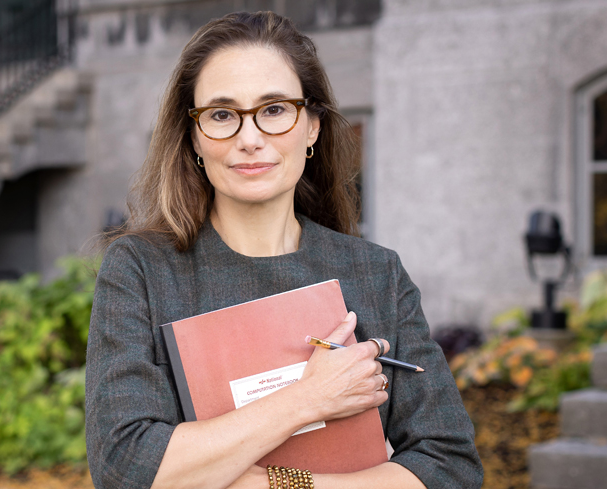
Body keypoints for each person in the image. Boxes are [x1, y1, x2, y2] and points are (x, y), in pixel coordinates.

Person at [85, 11, 483, 489]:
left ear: (311, 126)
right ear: (193, 135)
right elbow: (124, 467)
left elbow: (450, 467)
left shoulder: (376, 274)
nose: (250, 139)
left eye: (274, 109)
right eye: (221, 115)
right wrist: (308, 398)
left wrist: (279, 484)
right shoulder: (143, 271)